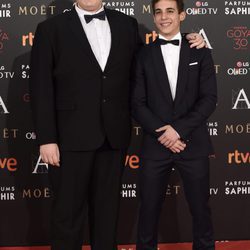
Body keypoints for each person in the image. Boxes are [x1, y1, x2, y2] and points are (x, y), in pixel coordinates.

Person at [29, 0, 206, 249]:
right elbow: (41, 88)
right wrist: (47, 138)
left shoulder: (126, 24)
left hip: (113, 136)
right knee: (67, 215)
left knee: (107, 214)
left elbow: (153, 57)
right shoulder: (51, 29)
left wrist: (188, 38)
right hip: (69, 138)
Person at [131, 0, 217, 249]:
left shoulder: (201, 51)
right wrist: (164, 133)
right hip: (155, 145)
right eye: (158, 12)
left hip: (193, 144)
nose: (163, 17)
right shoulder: (143, 54)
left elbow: (210, 99)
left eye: (170, 11)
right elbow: (137, 103)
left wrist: (178, 130)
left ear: (182, 15)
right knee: (147, 213)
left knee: (201, 211)